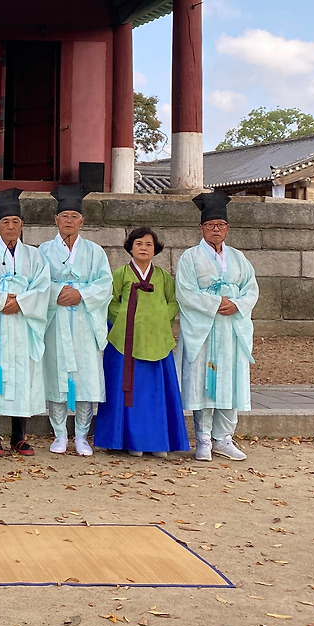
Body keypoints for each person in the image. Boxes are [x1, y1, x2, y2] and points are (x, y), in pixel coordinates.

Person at [176, 191, 260, 462]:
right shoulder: (190, 257)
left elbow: (251, 289)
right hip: (205, 327)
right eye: (210, 225)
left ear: (227, 228)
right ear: (201, 228)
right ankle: (203, 437)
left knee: (230, 381)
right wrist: (215, 303)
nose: (216, 229)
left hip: (231, 328)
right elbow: (185, 292)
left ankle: (224, 438)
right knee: (203, 382)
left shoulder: (239, 258)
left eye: (220, 225)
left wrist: (237, 305)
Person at [92, 227, 190, 457]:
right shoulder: (120, 274)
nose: (143, 248)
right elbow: (109, 302)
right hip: (125, 342)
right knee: (126, 392)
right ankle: (128, 440)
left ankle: (157, 441)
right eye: (139, 244)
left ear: (155, 249)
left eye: (148, 244)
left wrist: (159, 319)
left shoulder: (163, 277)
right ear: (130, 247)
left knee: (155, 393)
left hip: (156, 340)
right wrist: (127, 320)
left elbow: (173, 302)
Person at [0, 188, 50, 456]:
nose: (10, 226)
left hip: (22, 321)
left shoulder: (34, 255)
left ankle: (19, 436)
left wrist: (22, 302)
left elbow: (42, 287)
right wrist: (1, 300)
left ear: (22, 225)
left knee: (22, 373)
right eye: (5, 221)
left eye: (15, 221)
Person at [38, 186, 113, 456]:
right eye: (64, 216)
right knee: (56, 375)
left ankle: (81, 435)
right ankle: (59, 434)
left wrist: (81, 294)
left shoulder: (95, 251)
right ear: (55, 220)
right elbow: (37, 283)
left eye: (74, 216)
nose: (68, 221)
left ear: (82, 221)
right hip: (56, 317)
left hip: (84, 319)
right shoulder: (43, 251)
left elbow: (105, 284)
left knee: (85, 377)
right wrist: (58, 292)